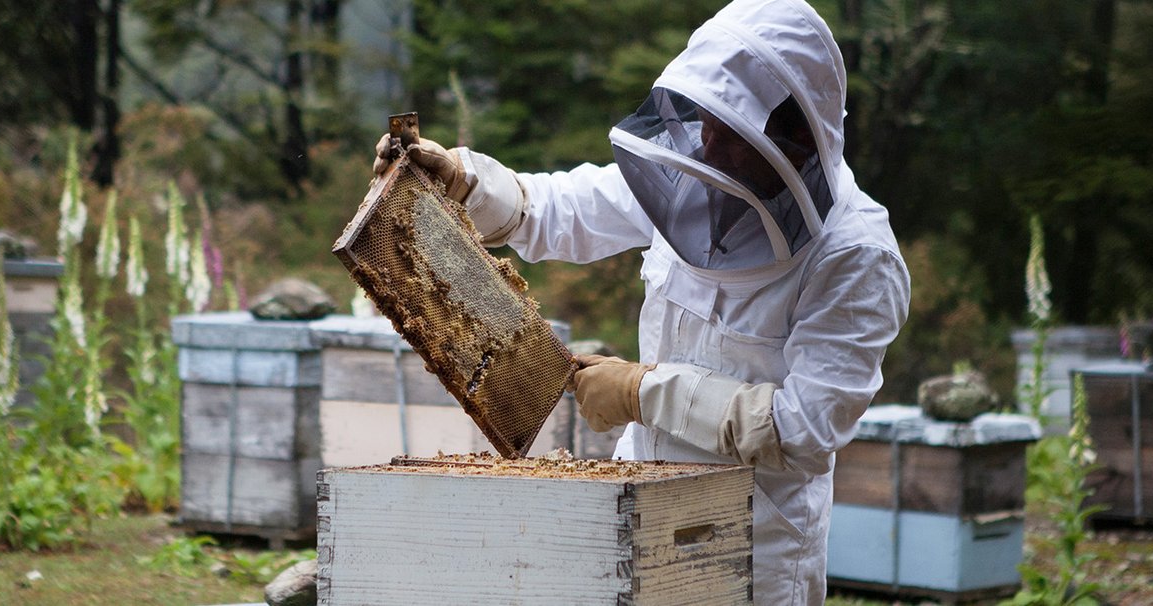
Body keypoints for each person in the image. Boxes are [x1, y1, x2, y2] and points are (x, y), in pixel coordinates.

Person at [371, 0, 910, 602]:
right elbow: (555, 210)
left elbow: (804, 428)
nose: (706, 143)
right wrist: (466, 183)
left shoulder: (857, 259)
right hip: (640, 500)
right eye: (705, 119)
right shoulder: (697, 172)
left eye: (731, 134)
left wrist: (641, 391)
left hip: (757, 543)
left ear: (794, 140)